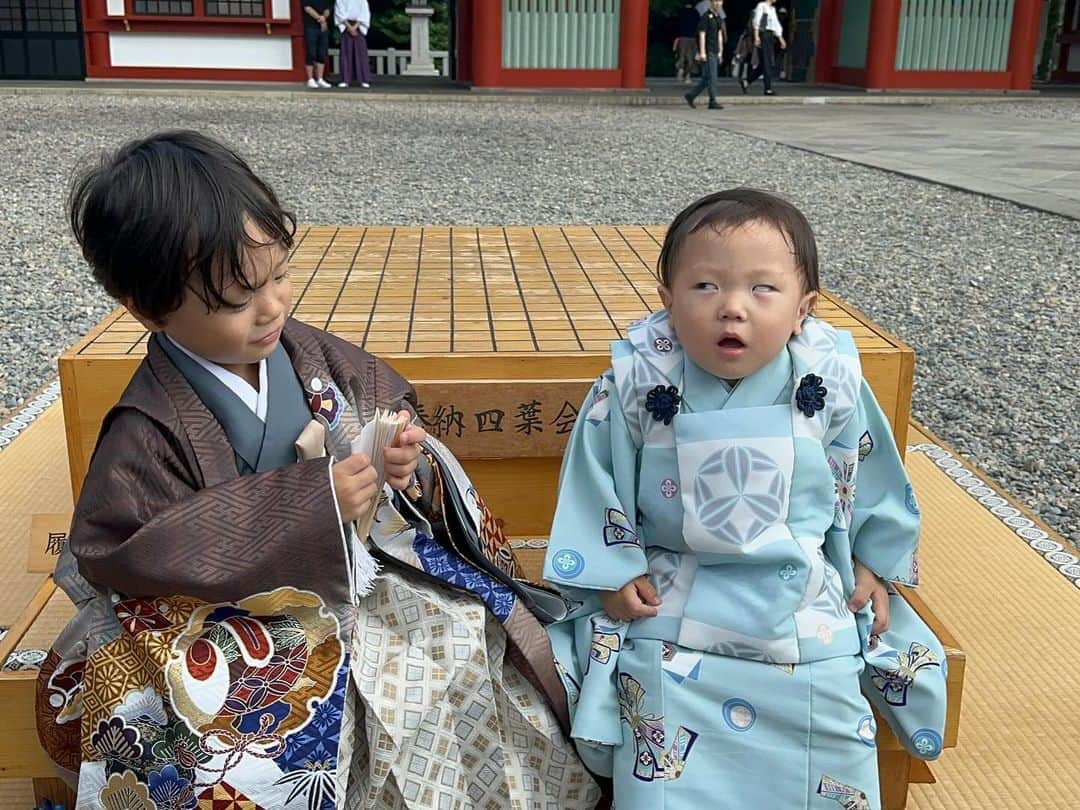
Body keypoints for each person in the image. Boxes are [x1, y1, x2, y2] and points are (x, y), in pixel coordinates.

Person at [35, 131, 601, 810]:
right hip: (235, 625)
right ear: (148, 308)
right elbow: (121, 548)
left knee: (466, 641)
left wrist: (396, 462)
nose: (272, 307)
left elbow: (384, 410)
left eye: (277, 277)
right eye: (237, 299)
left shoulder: (308, 357)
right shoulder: (147, 425)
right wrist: (311, 502)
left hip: (363, 572)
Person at [542, 188, 948, 809]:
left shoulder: (828, 380)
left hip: (803, 606)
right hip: (674, 596)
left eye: (763, 289)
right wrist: (611, 570)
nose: (732, 309)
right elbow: (595, 477)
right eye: (705, 286)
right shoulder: (637, 381)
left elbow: (868, 474)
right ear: (668, 299)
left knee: (832, 724)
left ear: (802, 309)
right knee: (655, 715)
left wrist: (872, 561)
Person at [683, 0, 725, 110]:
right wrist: (702, 52)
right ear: (711, 2)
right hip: (708, 50)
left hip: (715, 50)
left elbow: (719, 35)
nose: (718, 3)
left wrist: (721, 51)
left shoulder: (718, 17)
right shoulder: (706, 17)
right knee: (712, 77)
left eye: (720, 1)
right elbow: (702, 34)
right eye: (715, 1)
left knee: (707, 78)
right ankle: (712, 101)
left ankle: (690, 95)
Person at [741, 0, 785, 95]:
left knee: (764, 64)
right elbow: (756, 21)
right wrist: (756, 37)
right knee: (767, 62)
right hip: (763, 35)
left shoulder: (772, 9)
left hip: (770, 36)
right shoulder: (762, 6)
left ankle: (747, 81)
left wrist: (780, 38)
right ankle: (767, 88)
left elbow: (776, 25)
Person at [335, 0, 372, 88]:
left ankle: (363, 79)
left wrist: (355, 27)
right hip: (346, 26)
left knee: (361, 54)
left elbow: (364, 14)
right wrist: (349, 26)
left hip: (358, 27)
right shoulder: (340, 0)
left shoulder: (363, 1)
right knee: (346, 54)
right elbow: (340, 13)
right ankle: (345, 79)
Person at [302, 0, 332, 88]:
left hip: (324, 26)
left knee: (322, 52)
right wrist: (320, 19)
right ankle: (310, 79)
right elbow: (307, 8)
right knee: (311, 52)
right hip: (311, 26)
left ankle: (320, 78)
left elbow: (328, 9)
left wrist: (324, 17)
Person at [673, 1, 701, 83]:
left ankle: (680, 72)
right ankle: (688, 76)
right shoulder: (696, 13)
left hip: (682, 37)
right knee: (690, 57)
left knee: (681, 56)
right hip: (692, 38)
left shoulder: (681, 12)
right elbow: (698, 25)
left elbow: (676, 24)